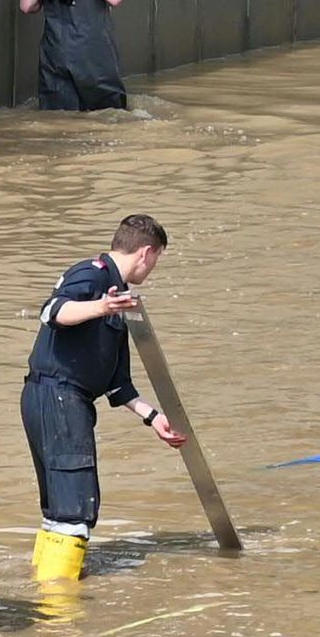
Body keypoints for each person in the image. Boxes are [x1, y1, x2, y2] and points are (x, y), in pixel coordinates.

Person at [20, 215, 187, 584]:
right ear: (146, 252)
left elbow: (116, 383)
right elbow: (53, 312)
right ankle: (60, 614)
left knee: (60, 507)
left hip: (60, 400)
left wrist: (152, 417)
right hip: (58, 397)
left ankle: (43, 587)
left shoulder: (118, 294)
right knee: (76, 508)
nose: (154, 267)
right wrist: (101, 307)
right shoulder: (94, 274)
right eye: (157, 258)